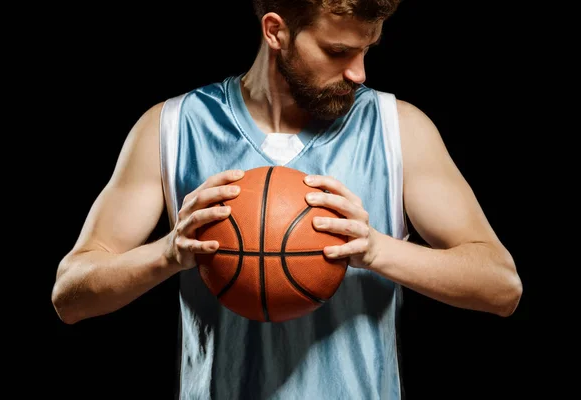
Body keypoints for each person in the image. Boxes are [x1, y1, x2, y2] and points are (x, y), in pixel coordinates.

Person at [51, 0, 523, 398]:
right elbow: (70, 297)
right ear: (276, 31)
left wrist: (377, 250)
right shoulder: (172, 127)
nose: (358, 73)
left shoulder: (400, 128)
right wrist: (169, 252)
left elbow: (502, 288)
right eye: (338, 51)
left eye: (366, 51)